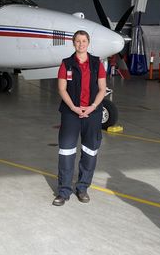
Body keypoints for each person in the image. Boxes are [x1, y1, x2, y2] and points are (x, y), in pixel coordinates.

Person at [53, 30, 107, 206]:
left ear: (88, 43)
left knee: (90, 151)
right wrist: (73, 108)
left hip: (92, 114)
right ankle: (64, 191)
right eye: (78, 41)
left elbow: (102, 89)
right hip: (71, 114)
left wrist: (93, 107)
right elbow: (62, 89)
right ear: (73, 43)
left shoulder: (97, 63)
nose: (81, 44)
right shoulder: (66, 64)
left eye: (84, 41)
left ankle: (82, 188)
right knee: (66, 152)